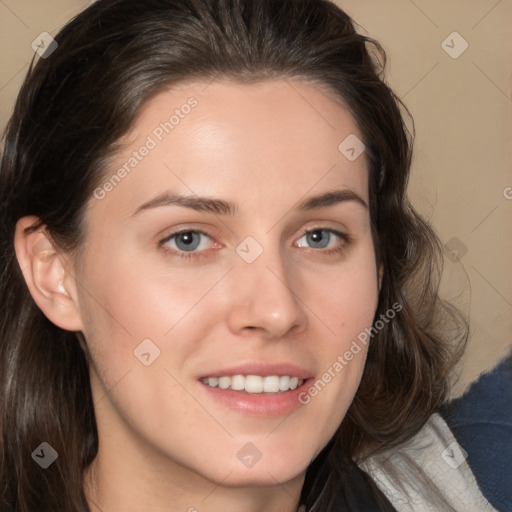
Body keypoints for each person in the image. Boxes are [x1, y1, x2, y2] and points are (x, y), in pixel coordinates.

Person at [0, 0, 497, 510]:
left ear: (378, 265)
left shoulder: (470, 481)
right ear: (54, 273)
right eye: (188, 239)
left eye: (320, 236)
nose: (275, 310)